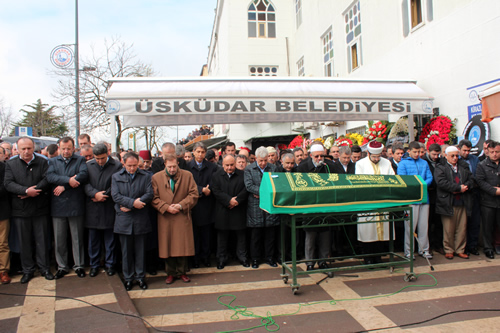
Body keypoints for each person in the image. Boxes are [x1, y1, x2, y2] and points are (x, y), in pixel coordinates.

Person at [4, 137, 53, 283]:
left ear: (34, 148)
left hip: (40, 208)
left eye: (29, 148)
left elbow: (47, 179)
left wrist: (34, 190)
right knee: (24, 242)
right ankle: (28, 270)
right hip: (20, 210)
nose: (26, 151)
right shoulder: (11, 164)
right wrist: (25, 191)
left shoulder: (43, 162)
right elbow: (8, 183)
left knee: (42, 241)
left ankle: (44, 268)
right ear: (17, 149)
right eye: (23, 149)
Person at [152, 154, 198, 284]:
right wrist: (166, 207)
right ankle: (170, 273)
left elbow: (194, 194)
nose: (172, 169)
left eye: (174, 166)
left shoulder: (187, 175)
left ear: (178, 163)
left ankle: (182, 272)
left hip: (182, 215)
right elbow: (153, 198)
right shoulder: (156, 178)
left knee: (182, 245)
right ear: (164, 165)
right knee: (168, 245)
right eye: (169, 167)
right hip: (165, 216)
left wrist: (180, 205)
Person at [47, 137, 88, 279]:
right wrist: (69, 180)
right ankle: (62, 266)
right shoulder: (52, 161)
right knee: (60, 239)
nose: (66, 151)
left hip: (75, 204)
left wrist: (64, 185)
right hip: (58, 205)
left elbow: (83, 175)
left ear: (73, 148)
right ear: (59, 148)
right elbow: (50, 177)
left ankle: (79, 265)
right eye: (63, 148)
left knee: (77, 238)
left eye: (69, 148)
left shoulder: (80, 160)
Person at [112, 152, 153, 290]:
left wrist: (136, 204)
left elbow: (149, 194)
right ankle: (128, 277)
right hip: (124, 220)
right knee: (126, 251)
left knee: (140, 250)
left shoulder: (145, 176)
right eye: (129, 165)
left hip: (140, 218)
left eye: (135, 165)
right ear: (123, 163)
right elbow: (116, 196)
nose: (132, 168)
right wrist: (132, 203)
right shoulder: (116, 177)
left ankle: (141, 277)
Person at [84, 143, 123, 277]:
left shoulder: (116, 166)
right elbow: (85, 183)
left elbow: (117, 184)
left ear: (107, 154)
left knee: (110, 239)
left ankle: (110, 264)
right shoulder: (88, 165)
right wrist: (94, 194)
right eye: (97, 158)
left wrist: (103, 195)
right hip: (93, 208)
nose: (100, 161)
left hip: (108, 206)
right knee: (93, 240)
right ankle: (94, 265)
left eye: (102, 158)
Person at [297, 142, 335, 270]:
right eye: (316, 156)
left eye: (321, 156)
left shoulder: (328, 166)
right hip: (310, 206)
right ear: (310, 156)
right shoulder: (302, 167)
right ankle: (310, 263)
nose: (319, 159)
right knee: (310, 237)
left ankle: (323, 261)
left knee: (325, 236)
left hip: (324, 205)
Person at [355, 141, 395, 264]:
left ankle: (379, 257)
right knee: (368, 231)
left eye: (378, 157)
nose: (377, 159)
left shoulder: (387, 162)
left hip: (383, 202)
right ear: (368, 153)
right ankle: (368, 258)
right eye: (374, 157)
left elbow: (392, 179)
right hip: (367, 202)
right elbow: (359, 182)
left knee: (382, 232)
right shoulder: (360, 164)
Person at [434, 146, 473, 259]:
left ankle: (460, 249)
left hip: (463, 200)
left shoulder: (463, 166)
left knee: (462, 227)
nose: (455, 158)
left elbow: (471, 179)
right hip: (448, 201)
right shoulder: (440, 167)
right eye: (452, 156)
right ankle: (449, 249)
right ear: (446, 156)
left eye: (457, 155)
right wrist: (457, 188)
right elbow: (441, 182)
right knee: (449, 228)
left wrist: (466, 187)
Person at [244, 146, 280, 269]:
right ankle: (255, 259)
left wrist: (263, 193)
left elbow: (276, 185)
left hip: (269, 205)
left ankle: (270, 258)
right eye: (261, 161)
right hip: (255, 206)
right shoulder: (249, 169)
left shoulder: (273, 168)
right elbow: (249, 186)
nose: (263, 163)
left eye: (265, 160)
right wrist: (264, 192)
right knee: (256, 235)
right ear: (256, 159)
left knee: (270, 234)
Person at [397, 141, 433, 259]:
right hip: (411, 199)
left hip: (424, 197)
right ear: (409, 151)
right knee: (410, 227)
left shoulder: (424, 163)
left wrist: (422, 185)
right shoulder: (403, 164)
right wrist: (416, 185)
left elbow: (429, 177)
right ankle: (408, 251)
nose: (417, 154)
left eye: (419, 152)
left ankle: (424, 250)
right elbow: (402, 179)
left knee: (424, 226)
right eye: (415, 152)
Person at [212, 155, 249, 269]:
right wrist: (228, 201)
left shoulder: (243, 175)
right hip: (223, 211)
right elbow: (216, 191)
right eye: (227, 165)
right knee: (222, 238)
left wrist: (237, 201)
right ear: (222, 165)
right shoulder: (216, 176)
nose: (229, 167)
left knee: (241, 237)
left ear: (235, 164)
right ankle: (221, 259)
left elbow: (246, 189)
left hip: (238, 210)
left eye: (232, 165)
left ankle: (242, 257)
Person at [187, 142, 217, 268]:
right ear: (193, 152)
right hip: (193, 204)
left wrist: (206, 191)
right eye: (198, 152)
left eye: (202, 152)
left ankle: (206, 257)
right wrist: (200, 190)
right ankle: (195, 258)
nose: (200, 154)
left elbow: (213, 183)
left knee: (206, 234)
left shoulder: (212, 167)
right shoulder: (187, 166)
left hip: (207, 204)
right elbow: (187, 184)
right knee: (194, 234)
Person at [476, 141, 500, 259]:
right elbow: (480, 181)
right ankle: (488, 248)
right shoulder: (482, 165)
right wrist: (493, 191)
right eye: (492, 152)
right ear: (488, 152)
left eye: (497, 152)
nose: (494, 154)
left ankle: (498, 245)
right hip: (487, 201)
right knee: (487, 226)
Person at [457, 139, 481, 256]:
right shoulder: (457, 159)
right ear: (459, 149)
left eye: (468, 151)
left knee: (474, 221)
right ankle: (463, 247)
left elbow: (478, 175)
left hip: (474, 192)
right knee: (463, 222)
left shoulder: (474, 159)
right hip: (462, 194)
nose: (466, 153)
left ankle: (473, 245)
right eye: (464, 150)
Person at [423, 143, 443, 255]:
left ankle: (438, 244)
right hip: (429, 194)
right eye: (434, 154)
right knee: (428, 222)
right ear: (428, 152)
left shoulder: (441, 162)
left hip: (440, 196)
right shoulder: (424, 161)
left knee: (439, 222)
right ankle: (428, 245)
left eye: (437, 154)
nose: (436, 156)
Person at [0, 147, 11, 284]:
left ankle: (3, 270)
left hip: (2, 211)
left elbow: (6, 186)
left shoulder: (4, 168)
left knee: (2, 243)